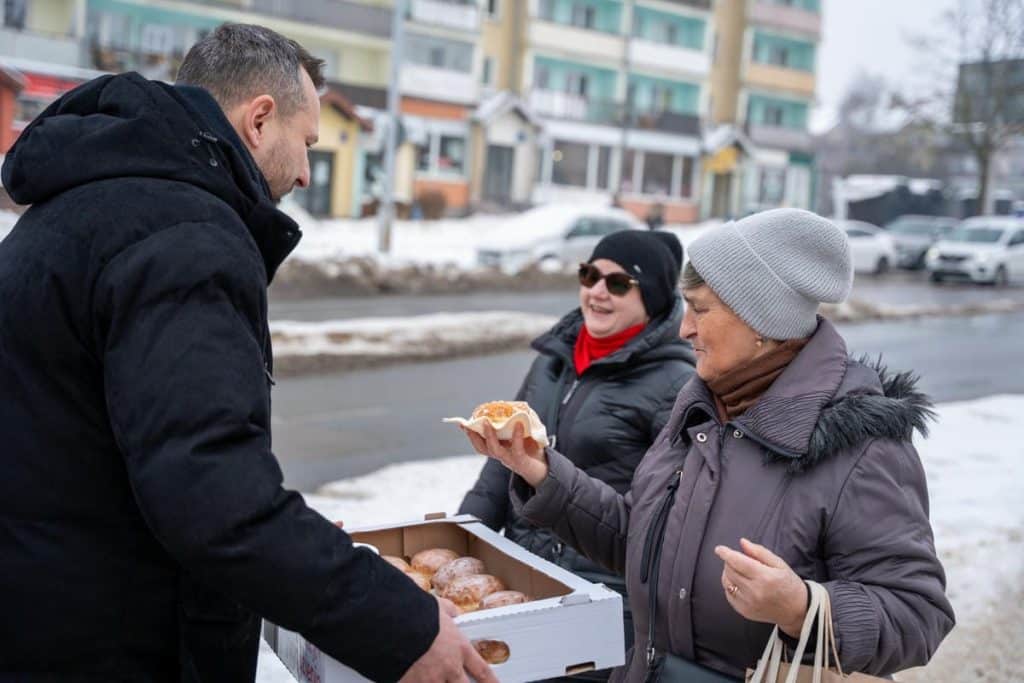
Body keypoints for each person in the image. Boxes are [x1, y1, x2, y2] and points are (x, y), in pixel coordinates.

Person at [0, 24, 495, 683]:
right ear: (260, 119)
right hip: (110, 646)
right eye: (308, 143)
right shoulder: (184, 234)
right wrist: (398, 623)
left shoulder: (85, 202)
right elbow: (211, 493)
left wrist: (292, 547)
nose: (306, 172)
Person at [463, 209, 955, 681]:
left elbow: (918, 614)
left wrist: (801, 607)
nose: (684, 328)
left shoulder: (862, 447)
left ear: (761, 321)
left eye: (700, 309)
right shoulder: (701, 407)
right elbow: (637, 539)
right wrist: (541, 472)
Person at [459, 229, 696, 680]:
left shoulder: (676, 385)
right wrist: (465, 533)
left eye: (619, 283)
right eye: (590, 275)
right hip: (522, 580)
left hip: (599, 596)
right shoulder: (552, 361)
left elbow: (662, 516)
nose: (597, 291)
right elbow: (501, 460)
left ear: (654, 299)